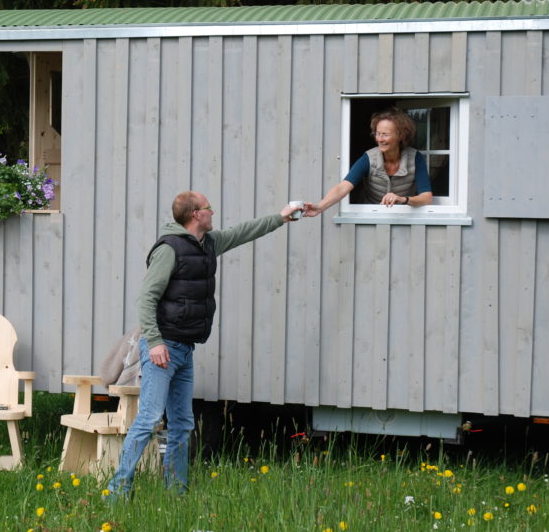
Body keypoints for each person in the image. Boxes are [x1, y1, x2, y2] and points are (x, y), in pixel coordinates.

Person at [107, 191, 305, 498]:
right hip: (162, 348)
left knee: (183, 425)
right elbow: (147, 297)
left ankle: (176, 493)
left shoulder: (207, 245)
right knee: (148, 419)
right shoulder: (169, 249)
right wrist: (155, 342)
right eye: (208, 208)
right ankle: (117, 492)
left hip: (185, 348)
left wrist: (280, 217)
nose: (213, 212)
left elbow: (243, 232)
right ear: (196, 215)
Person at [305, 107, 433, 217]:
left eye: (385, 134)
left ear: (401, 135)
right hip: (370, 215)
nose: (380, 139)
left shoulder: (415, 158)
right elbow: (343, 186)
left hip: (404, 215)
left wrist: (403, 199)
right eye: (377, 134)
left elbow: (426, 198)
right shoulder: (369, 157)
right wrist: (319, 207)